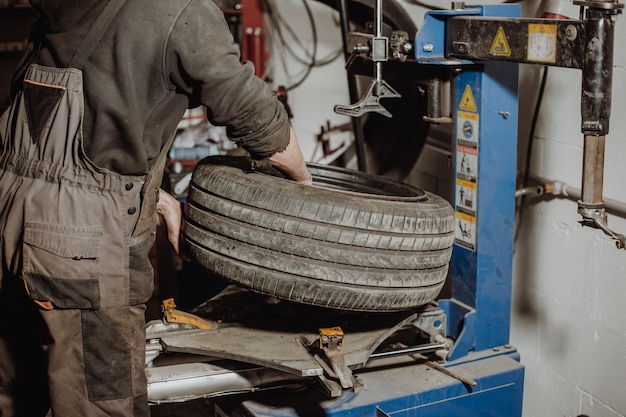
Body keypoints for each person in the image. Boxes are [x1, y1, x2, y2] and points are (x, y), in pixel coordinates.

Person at [0, 0, 312, 416]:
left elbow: (64, 154)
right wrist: (307, 187)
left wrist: (159, 200)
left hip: (9, 214)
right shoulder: (183, 9)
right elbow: (257, 118)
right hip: (80, 250)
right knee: (99, 400)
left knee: (18, 391)